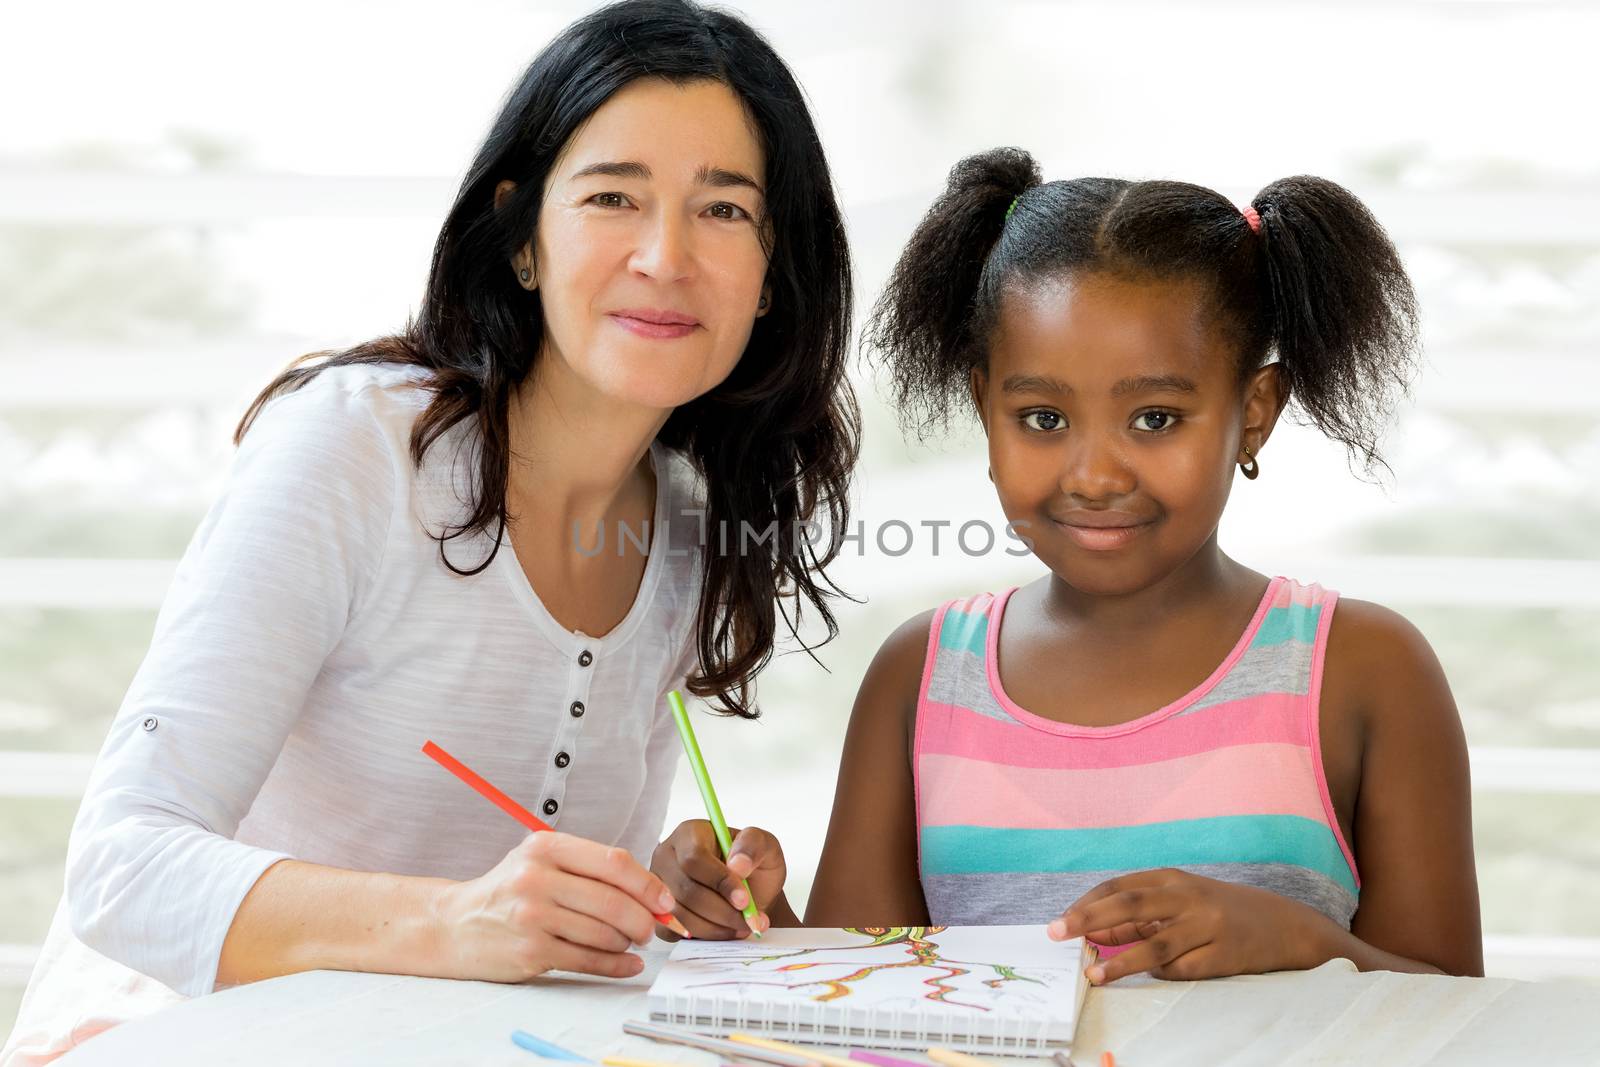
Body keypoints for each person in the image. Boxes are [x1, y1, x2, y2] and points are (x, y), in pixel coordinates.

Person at [2, 2, 854, 1061]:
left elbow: (532, 919)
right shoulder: (354, 448)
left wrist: (656, 889)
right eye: (610, 197)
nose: (663, 254)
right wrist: (454, 918)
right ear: (522, 238)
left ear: (776, 272)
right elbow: (121, 867)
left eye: (723, 210)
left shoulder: (687, 522)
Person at [800, 148, 1482, 984]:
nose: (1094, 475)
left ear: (1254, 412)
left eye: (1156, 418)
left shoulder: (1365, 670)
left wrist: (1309, 942)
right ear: (985, 409)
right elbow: (844, 996)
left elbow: (1459, 1017)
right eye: (1043, 417)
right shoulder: (920, 679)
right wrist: (741, 915)